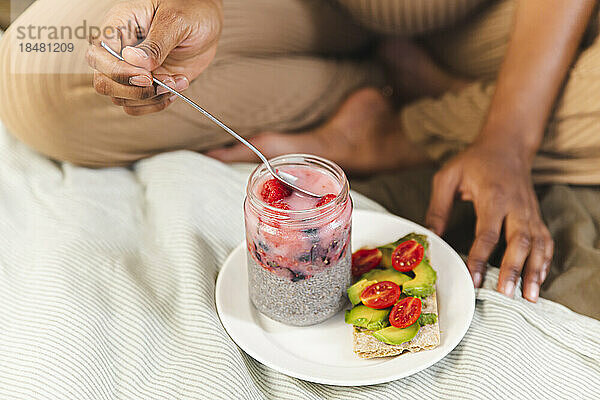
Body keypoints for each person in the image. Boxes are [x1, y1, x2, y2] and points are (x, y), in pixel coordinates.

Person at [0, 0, 599, 318]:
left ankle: (400, 129)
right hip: (306, 11)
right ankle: (383, 88)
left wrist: (508, 137)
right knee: (37, 76)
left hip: (501, 23)